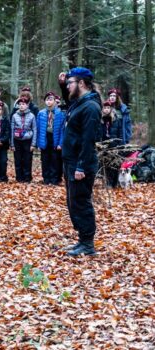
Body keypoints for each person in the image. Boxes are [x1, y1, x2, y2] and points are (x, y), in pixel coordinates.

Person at [58, 67, 102, 256]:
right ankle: (81, 241)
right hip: (71, 161)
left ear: (81, 83)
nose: (68, 86)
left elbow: (88, 139)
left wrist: (81, 166)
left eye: (70, 83)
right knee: (73, 202)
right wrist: (62, 86)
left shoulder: (91, 107)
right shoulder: (80, 103)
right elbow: (69, 103)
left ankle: (87, 244)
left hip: (81, 164)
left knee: (81, 202)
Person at [36, 91, 65, 185]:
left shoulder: (60, 113)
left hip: (55, 138)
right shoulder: (41, 113)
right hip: (45, 138)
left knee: (55, 159)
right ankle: (46, 178)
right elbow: (38, 129)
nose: (49, 101)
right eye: (47, 100)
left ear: (55, 101)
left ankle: (54, 179)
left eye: (51, 99)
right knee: (45, 159)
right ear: (45, 101)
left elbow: (62, 129)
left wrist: (60, 143)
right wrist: (38, 143)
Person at [10, 97, 37, 183]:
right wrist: (12, 144)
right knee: (18, 159)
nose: (21, 106)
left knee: (27, 159)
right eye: (20, 104)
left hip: (27, 140)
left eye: (23, 104)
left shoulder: (32, 115)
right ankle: (19, 177)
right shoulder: (14, 115)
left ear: (27, 105)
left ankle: (27, 177)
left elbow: (34, 129)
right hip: (17, 140)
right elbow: (12, 129)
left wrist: (33, 144)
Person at [100, 99, 124, 187]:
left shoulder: (116, 120)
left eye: (108, 108)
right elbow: (98, 133)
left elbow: (120, 133)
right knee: (106, 165)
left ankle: (114, 183)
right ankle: (108, 183)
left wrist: (120, 145)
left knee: (115, 165)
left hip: (114, 146)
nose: (106, 109)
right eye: (104, 108)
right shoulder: (100, 120)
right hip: (104, 147)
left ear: (110, 109)